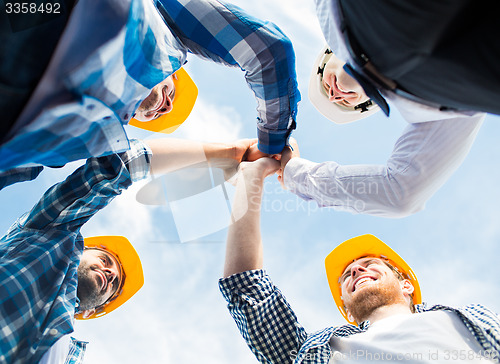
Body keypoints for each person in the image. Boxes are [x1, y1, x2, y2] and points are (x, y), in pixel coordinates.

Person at [0, 136, 258, 363]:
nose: (111, 272)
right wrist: (230, 151)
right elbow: (122, 165)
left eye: (114, 286)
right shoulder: (49, 235)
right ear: (82, 248)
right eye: (105, 258)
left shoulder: (68, 355)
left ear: (91, 312)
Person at [219, 161, 500, 363]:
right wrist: (252, 177)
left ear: (406, 285)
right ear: (346, 309)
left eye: (368, 262)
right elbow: (246, 287)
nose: (355, 269)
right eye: (346, 276)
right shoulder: (313, 351)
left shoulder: (467, 319)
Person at [0, 0, 299, 189]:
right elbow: (267, 52)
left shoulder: (82, 146)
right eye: (172, 89)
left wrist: (235, 153)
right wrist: (271, 143)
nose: (167, 106)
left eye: (154, 116)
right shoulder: (162, 17)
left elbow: (131, 165)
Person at [278, 0, 498, 218]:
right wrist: (295, 173)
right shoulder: (434, 106)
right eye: (343, 103)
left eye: (325, 87)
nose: (334, 94)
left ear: (327, 56)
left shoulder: (331, 9)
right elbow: (401, 193)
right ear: (370, 102)